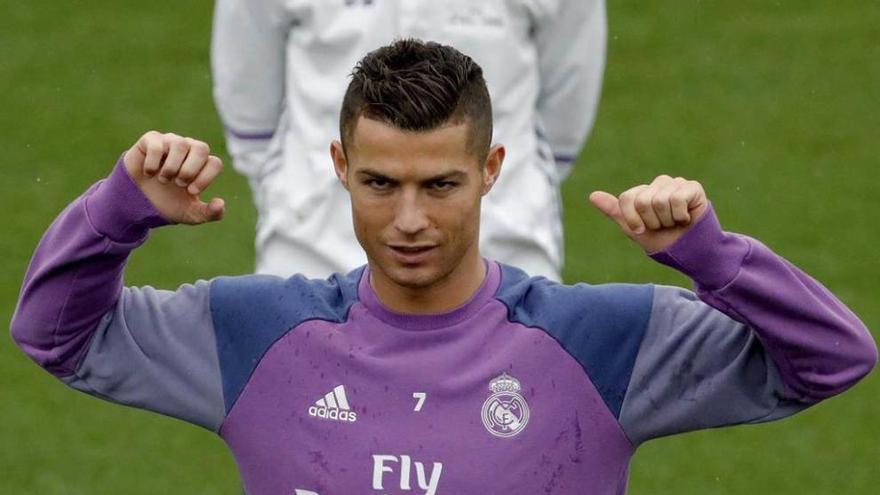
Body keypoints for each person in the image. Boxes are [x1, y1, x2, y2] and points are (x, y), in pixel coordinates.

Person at [11, 41, 876, 495]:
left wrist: (713, 258)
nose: (411, 219)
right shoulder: (256, 334)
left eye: (442, 184)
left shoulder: (603, 342)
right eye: (381, 183)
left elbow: (834, 358)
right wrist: (117, 211)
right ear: (341, 165)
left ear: (491, 170)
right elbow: (55, 337)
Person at [211, 0, 607, 281]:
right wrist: (304, 200)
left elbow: (568, 97)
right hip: (310, 256)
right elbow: (247, 98)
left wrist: (491, 196)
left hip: (507, 251)